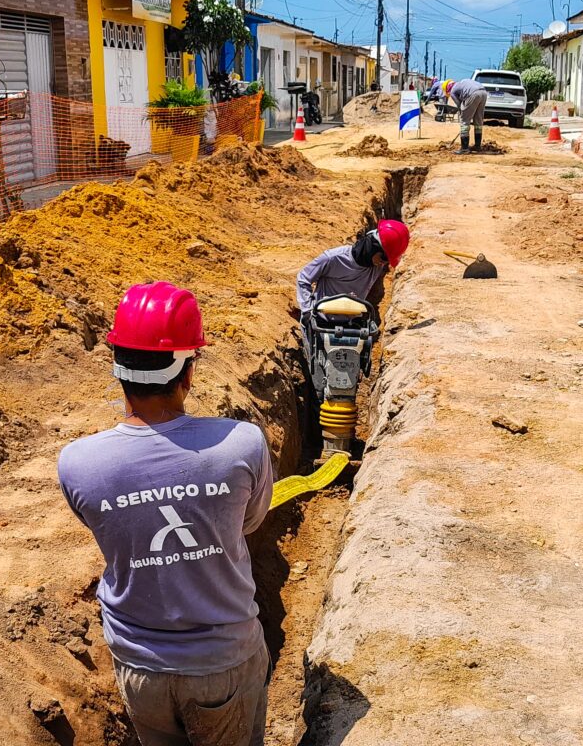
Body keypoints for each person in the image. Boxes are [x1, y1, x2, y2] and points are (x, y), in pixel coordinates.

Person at [58, 281, 274, 746]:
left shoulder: (78, 462)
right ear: (188, 371)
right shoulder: (242, 442)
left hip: (141, 669)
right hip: (224, 664)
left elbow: (107, 528)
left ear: (117, 368)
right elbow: (250, 523)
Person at [296, 219, 411, 329]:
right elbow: (304, 278)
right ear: (373, 247)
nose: (384, 263)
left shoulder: (377, 266)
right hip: (321, 322)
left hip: (352, 324)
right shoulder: (333, 258)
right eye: (384, 257)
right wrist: (307, 311)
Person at [442, 78, 488, 154]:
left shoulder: (453, 90)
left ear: (447, 88)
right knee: (478, 121)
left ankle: (464, 149)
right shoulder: (461, 84)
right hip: (483, 93)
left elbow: (460, 106)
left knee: (464, 122)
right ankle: (477, 146)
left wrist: (464, 115)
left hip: (473, 94)